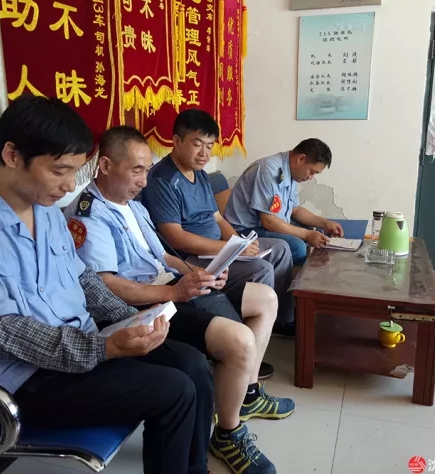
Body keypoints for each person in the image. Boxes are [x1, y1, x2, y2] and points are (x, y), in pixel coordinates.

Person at [0, 95, 214, 474]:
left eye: (75, 171)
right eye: (59, 171)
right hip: (20, 378)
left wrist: (131, 319)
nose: (70, 185)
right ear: (12, 155)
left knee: (192, 363)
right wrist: (102, 348)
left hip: (80, 345)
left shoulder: (47, 212)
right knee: (173, 390)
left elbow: (83, 278)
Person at [63, 126, 294, 474]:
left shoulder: (132, 206)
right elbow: (106, 286)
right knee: (238, 341)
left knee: (266, 299)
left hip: (171, 284)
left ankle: (246, 394)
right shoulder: (88, 214)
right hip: (144, 303)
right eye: (137, 171)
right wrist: (175, 292)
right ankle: (228, 433)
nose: (144, 181)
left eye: (146, 170)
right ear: (106, 165)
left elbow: (163, 256)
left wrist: (198, 273)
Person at [141, 109, 296, 338]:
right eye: (197, 144)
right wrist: (231, 249)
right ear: (176, 141)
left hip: (218, 248)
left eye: (209, 146)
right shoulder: (163, 180)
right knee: (259, 268)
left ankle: (279, 321)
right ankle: (243, 335)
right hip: (191, 257)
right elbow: (176, 237)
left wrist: (239, 243)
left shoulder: (200, 175)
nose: (204, 153)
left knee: (280, 249)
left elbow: (217, 218)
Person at [223, 139, 344, 267]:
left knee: (311, 229)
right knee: (298, 246)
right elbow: (268, 221)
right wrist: (306, 235)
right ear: (301, 159)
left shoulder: (290, 172)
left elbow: (295, 210)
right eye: (312, 172)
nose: (310, 177)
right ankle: (290, 279)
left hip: (264, 225)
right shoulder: (268, 170)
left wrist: (324, 223)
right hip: (244, 231)